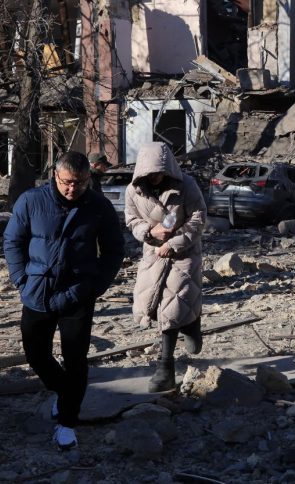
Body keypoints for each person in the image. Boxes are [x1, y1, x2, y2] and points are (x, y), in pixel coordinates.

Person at [3, 151, 124, 450]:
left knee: (75, 360)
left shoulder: (99, 207)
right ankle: (64, 393)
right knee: (36, 354)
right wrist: (21, 279)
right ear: (55, 176)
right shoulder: (31, 201)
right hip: (37, 290)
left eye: (81, 183)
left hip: (78, 293)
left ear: (88, 179)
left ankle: (68, 423)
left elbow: (113, 251)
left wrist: (95, 287)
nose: (73, 189)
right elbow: (13, 241)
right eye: (68, 182)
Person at [125, 142, 206, 393]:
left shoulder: (187, 186)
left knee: (171, 307)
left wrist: (174, 242)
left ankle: (165, 368)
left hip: (184, 253)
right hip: (153, 252)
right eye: (150, 174)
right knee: (150, 305)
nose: (155, 177)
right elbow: (131, 219)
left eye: (159, 172)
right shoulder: (134, 191)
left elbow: (199, 217)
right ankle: (189, 322)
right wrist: (149, 231)